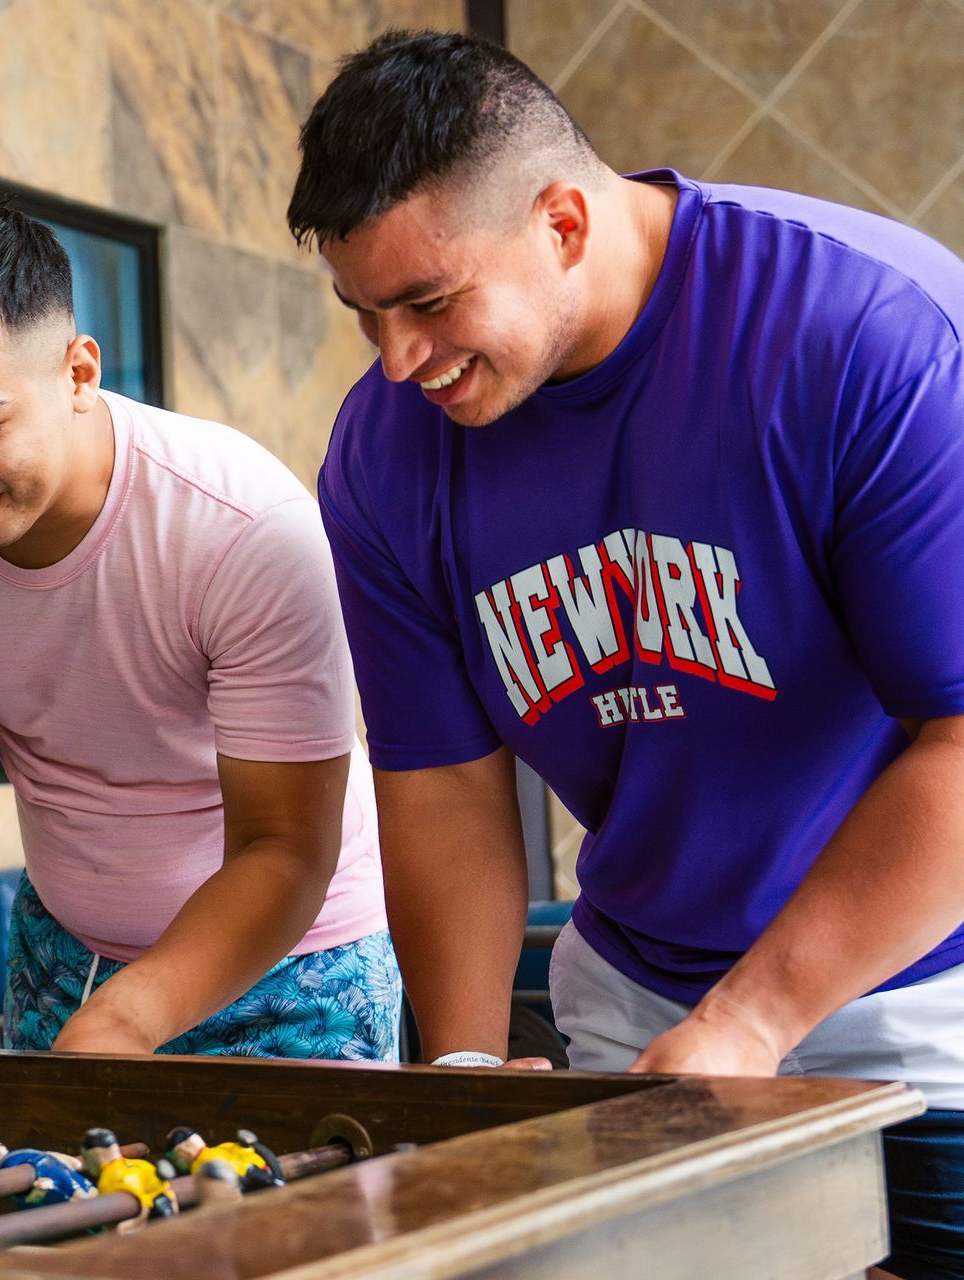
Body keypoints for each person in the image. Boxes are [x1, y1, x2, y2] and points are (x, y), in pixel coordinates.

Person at [289, 28, 964, 1280]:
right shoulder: (385, 454)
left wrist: (757, 1018)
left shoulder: (859, 331)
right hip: (640, 997)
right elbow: (442, 781)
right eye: (364, 313)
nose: (396, 359)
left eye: (430, 302)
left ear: (561, 221)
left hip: (924, 987)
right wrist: (468, 1075)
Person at [0, 201, 394, 1059]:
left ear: (79, 374)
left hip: (294, 969)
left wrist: (134, 1017)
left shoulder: (242, 528)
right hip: (65, 958)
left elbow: (284, 847)